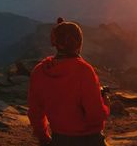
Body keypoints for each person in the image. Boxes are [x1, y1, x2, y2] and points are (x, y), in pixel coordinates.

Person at [28, 17, 110, 146]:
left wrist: (43, 137)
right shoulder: (84, 70)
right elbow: (95, 117)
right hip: (90, 140)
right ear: (79, 43)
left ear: (55, 42)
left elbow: (35, 113)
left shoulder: (40, 71)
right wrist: (105, 104)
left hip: (59, 140)